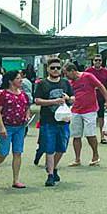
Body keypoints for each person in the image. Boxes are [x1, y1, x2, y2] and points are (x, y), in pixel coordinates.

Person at [34, 58, 74, 187]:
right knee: (49, 148)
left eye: (57, 67)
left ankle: (53, 167)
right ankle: (50, 174)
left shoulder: (65, 83)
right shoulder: (42, 84)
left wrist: (68, 98)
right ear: (47, 69)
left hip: (63, 120)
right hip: (48, 120)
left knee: (62, 147)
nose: (55, 70)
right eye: (52, 68)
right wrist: (53, 102)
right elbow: (37, 100)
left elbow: (73, 98)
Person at [0, 70, 30, 189]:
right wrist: (1, 127)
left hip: (20, 127)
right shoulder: (2, 94)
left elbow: (27, 107)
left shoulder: (23, 94)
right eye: (18, 78)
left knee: (18, 152)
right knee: (3, 153)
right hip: (7, 126)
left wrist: (27, 116)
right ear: (10, 81)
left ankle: (16, 179)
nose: (21, 80)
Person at [64, 61, 107, 167]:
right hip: (75, 110)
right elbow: (69, 96)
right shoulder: (69, 83)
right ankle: (77, 159)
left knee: (90, 134)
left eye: (67, 73)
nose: (66, 76)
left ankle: (95, 155)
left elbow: (101, 86)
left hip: (90, 109)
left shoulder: (88, 76)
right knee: (76, 135)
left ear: (73, 71)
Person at [86, 55, 107, 144]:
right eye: (96, 60)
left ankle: (102, 136)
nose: (98, 62)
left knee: (102, 117)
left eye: (99, 60)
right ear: (93, 61)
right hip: (90, 98)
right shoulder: (88, 71)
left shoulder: (105, 71)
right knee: (90, 118)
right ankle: (91, 136)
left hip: (102, 97)